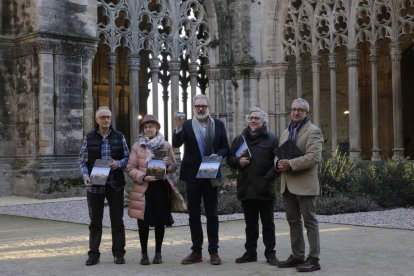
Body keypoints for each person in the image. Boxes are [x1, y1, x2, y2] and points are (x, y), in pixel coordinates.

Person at [172, 94, 230, 265]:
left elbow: (225, 148)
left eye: (203, 106)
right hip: (193, 176)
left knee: (212, 215)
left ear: (208, 107)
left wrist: (217, 154)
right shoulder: (187, 124)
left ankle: (214, 251)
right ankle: (196, 251)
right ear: (193, 108)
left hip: (211, 174)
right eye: (197, 106)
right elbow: (176, 144)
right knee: (194, 215)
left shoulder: (218, 125)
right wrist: (178, 127)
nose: (200, 109)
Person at [127, 114, 186, 265]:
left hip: (160, 188)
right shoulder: (137, 146)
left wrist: (167, 165)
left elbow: (173, 166)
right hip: (143, 188)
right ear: (142, 130)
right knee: (143, 222)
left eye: (151, 126)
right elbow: (130, 168)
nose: (148, 129)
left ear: (156, 128)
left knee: (160, 221)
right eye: (146, 127)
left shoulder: (166, 145)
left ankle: (158, 253)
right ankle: (144, 253)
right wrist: (143, 176)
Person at [275, 98, 324, 272]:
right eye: (293, 109)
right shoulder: (285, 132)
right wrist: (278, 164)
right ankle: (297, 255)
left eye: (300, 110)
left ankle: (314, 258)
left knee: (310, 222)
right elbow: (279, 154)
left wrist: (291, 163)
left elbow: (314, 157)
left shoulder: (313, 131)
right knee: (293, 221)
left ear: (306, 113)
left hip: (304, 183)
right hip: (287, 183)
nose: (295, 112)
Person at [226, 107, 279, 266]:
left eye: (256, 118)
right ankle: (250, 253)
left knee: (268, 224)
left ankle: (270, 254)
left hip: (265, 188)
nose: (253, 121)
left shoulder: (272, 139)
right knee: (250, 225)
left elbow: (278, 163)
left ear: (263, 121)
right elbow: (229, 159)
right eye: (250, 118)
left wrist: (267, 179)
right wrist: (238, 162)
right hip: (246, 188)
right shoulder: (239, 139)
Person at [78, 106, 129, 266]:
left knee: (117, 221)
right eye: (103, 117)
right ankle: (93, 254)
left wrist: (118, 163)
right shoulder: (89, 137)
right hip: (95, 184)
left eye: (108, 117)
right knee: (95, 221)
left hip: (115, 184)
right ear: (97, 120)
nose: (106, 120)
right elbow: (82, 160)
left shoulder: (119, 136)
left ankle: (119, 253)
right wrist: (86, 176)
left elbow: (128, 158)